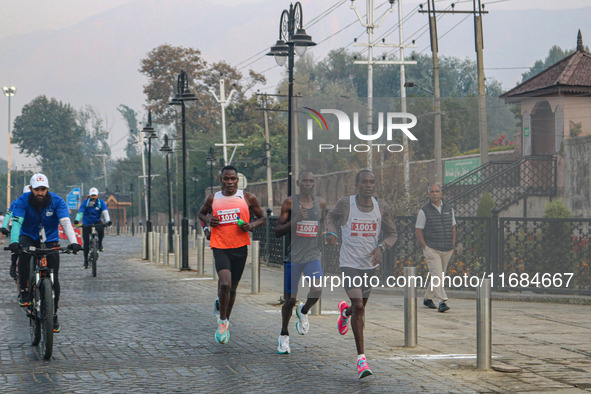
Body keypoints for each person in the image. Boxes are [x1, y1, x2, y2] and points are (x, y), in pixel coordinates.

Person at [325, 170, 398, 379]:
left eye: (371, 182)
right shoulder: (346, 204)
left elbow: (392, 234)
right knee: (358, 306)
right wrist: (330, 232)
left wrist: (382, 247)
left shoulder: (382, 207)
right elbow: (331, 216)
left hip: (369, 266)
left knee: (358, 310)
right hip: (349, 264)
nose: (368, 185)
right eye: (364, 182)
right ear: (357, 184)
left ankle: (345, 313)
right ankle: (361, 360)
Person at [198, 165, 266, 344]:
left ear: (238, 180)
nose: (229, 182)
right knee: (225, 284)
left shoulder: (247, 197)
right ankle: (221, 321)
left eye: (232, 179)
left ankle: (226, 317)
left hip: (240, 248)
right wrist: (207, 223)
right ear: (221, 180)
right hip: (220, 246)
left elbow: (263, 218)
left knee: (232, 288)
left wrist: (251, 226)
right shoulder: (213, 198)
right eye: (226, 178)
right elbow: (201, 214)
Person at [8, 174, 82, 333]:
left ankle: (53, 314)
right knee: (24, 256)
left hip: (50, 239)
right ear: (31, 189)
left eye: (43, 189)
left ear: (48, 189)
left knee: (54, 277)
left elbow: (66, 222)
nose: (40, 193)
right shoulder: (22, 200)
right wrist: (14, 241)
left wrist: (74, 242)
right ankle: (24, 291)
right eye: (36, 189)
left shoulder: (57, 201)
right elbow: (17, 222)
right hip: (28, 236)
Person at [274, 171, 327, 354]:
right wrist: (294, 221)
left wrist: (325, 235)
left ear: (314, 183)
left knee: (318, 288)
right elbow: (277, 230)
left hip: (312, 255)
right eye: (304, 180)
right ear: (298, 183)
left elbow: (322, 223)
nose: (308, 183)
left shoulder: (320, 203)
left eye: (311, 181)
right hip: (293, 257)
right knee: (290, 300)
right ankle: (284, 335)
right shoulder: (290, 202)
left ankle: (304, 310)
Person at [415, 183, 456, 313]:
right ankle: (442, 301)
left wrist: (453, 243)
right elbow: (418, 230)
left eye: (437, 191)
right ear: (429, 194)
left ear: (441, 193)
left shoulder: (449, 209)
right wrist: (425, 247)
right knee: (438, 275)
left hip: (447, 248)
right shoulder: (423, 211)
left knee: (439, 275)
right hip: (432, 248)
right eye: (432, 191)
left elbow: (453, 227)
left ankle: (428, 298)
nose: (435, 194)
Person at [74, 187, 111, 268]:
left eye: (95, 195)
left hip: (97, 221)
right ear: (89, 196)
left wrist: (108, 221)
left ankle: (100, 243)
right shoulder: (85, 202)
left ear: (97, 196)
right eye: (92, 196)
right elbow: (80, 212)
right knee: (86, 243)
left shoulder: (101, 203)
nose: (93, 197)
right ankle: (86, 261)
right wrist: (77, 220)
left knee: (101, 230)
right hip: (86, 223)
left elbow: (105, 212)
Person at [1, 185, 32, 281]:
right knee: (16, 247)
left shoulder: (39, 202)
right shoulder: (17, 203)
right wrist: (3, 227)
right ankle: (13, 264)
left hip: (33, 230)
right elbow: (8, 214)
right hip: (19, 228)